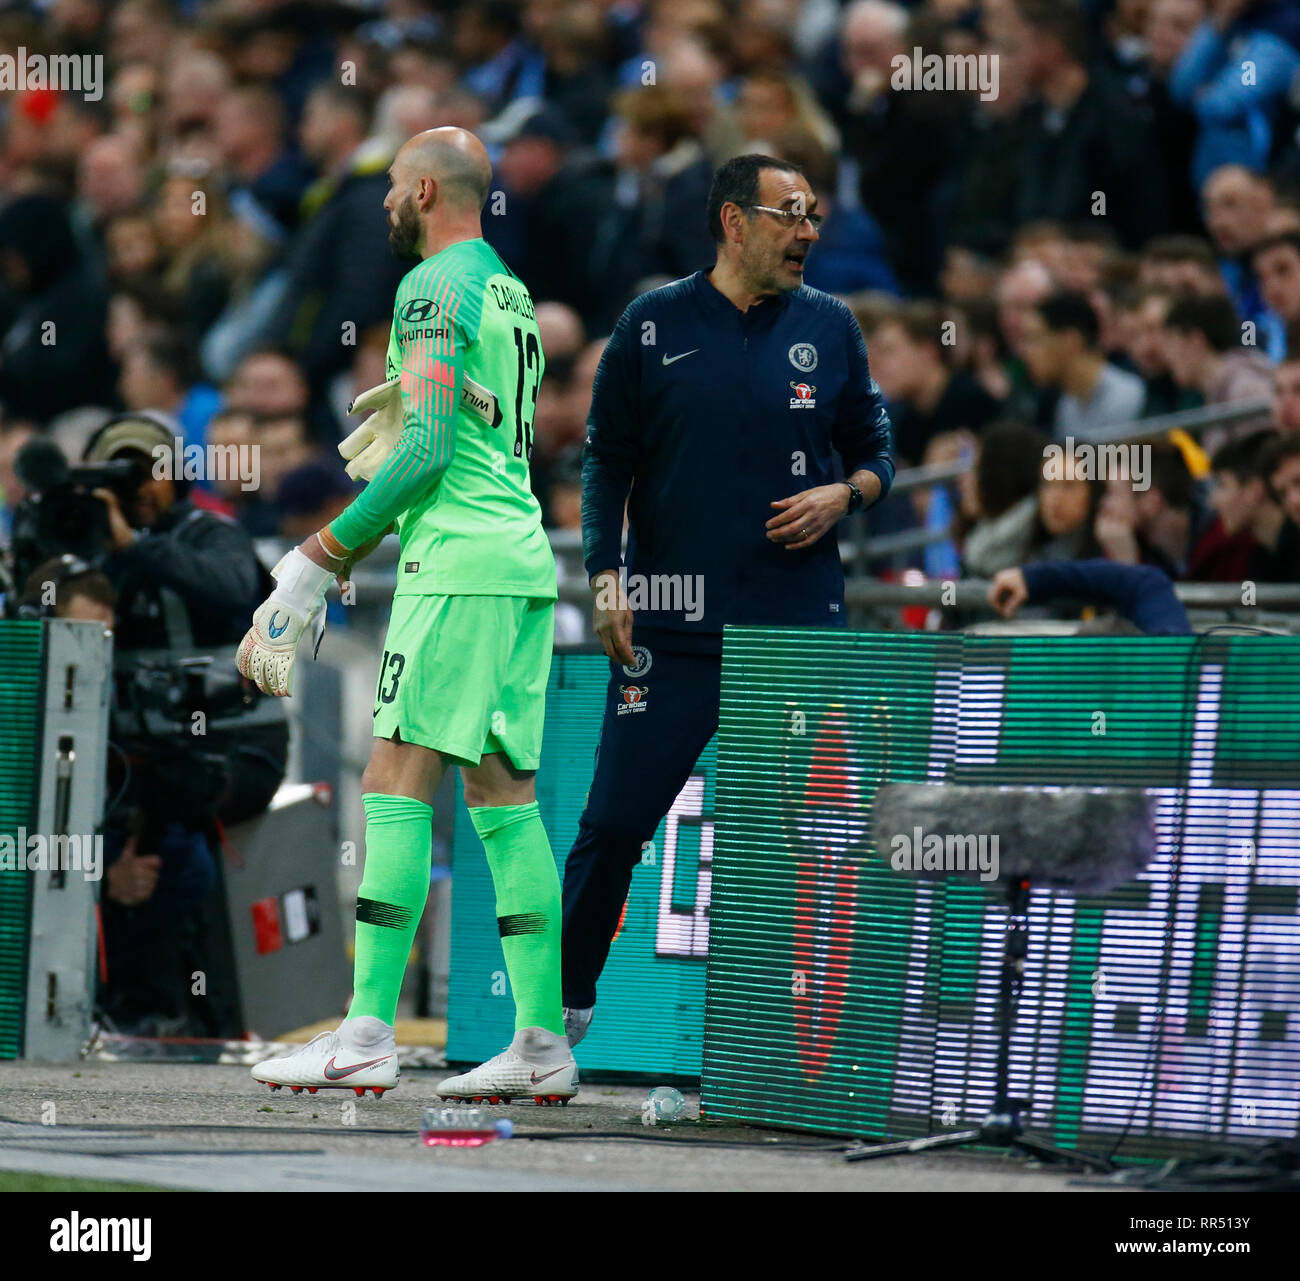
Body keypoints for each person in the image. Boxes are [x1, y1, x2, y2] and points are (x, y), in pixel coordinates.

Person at [241, 127, 577, 1104]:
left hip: (458, 566)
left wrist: (316, 558)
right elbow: (470, 424)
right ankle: (542, 1042)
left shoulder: (429, 287)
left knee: (394, 774)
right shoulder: (507, 289)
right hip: (517, 566)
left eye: (391, 186)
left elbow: (427, 452)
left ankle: (365, 1034)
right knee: (504, 798)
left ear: (423, 190)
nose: (385, 201)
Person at [562, 153, 894, 1044]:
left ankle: (791, 1047)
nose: (810, 231)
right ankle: (557, 1016)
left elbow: (876, 448)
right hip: (671, 623)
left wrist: (845, 494)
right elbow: (606, 462)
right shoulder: (651, 323)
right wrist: (606, 573)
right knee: (613, 824)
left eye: (816, 214)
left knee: (801, 848)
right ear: (734, 222)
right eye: (792, 213)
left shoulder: (832, 326)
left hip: (795, 628)